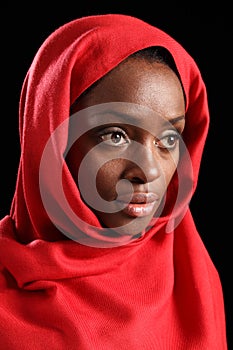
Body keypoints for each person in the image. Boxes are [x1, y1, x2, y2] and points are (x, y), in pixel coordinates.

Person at [0, 13, 228, 349]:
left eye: (168, 139)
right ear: (49, 136)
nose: (148, 171)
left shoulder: (193, 278)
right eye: (116, 135)